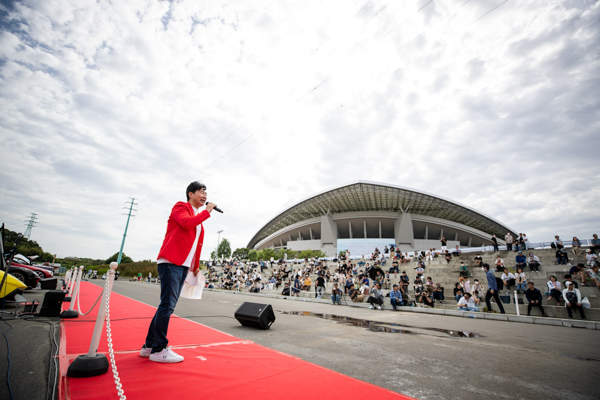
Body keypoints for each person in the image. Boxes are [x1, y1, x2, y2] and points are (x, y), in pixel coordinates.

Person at [140, 181, 216, 363]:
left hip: (182, 265)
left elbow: (196, 245)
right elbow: (185, 223)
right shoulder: (181, 207)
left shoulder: (198, 217)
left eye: (206, 193)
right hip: (170, 262)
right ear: (191, 194)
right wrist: (207, 212)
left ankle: (149, 346)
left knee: (166, 305)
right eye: (202, 192)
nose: (205, 196)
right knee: (167, 305)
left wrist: (195, 265)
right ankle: (159, 349)